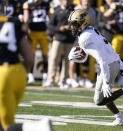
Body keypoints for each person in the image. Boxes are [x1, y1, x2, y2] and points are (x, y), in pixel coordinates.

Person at [68, 9, 123, 126]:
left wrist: (107, 82)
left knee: (99, 100)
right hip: (112, 63)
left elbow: (102, 60)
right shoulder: (91, 30)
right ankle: (120, 118)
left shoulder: (84, 38)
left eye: (74, 24)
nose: (72, 27)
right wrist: (121, 64)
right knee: (103, 97)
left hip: (107, 66)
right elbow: (107, 48)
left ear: (83, 23)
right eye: (71, 24)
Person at [0, 1, 53, 131]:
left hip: (2, 75)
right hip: (18, 73)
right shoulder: (15, 22)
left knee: (6, 126)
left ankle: (36, 128)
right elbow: (29, 58)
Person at [44, 0, 78, 89]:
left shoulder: (73, 10)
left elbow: (78, 23)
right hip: (58, 38)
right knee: (54, 58)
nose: (66, 2)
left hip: (69, 39)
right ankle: (50, 80)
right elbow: (50, 25)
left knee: (67, 61)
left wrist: (71, 27)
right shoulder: (56, 10)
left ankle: (63, 80)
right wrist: (59, 28)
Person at [23, 0, 50, 85]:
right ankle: (30, 76)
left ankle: (45, 76)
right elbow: (26, 19)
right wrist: (25, 32)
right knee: (32, 55)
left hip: (43, 32)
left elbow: (51, 17)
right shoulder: (29, 4)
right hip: (33, 32)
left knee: (45, 55)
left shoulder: (46, 3)